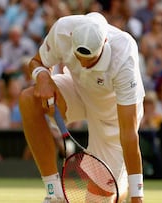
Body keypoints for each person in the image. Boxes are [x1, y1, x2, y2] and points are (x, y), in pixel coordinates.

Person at [19, 12, 145, 203]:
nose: (84, 64)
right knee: (28, 99)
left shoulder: (125, 54)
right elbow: (37, 62)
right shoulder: (62, 29)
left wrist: (138, 195)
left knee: (100, 198)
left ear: (104, 42)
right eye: (79, 58)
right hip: (77, 91)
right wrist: (43, 77)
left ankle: (122, 187)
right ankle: (54, 193)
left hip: (112, 119)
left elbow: (129, 133)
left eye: (91, 59)